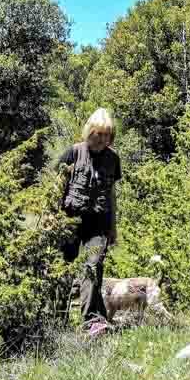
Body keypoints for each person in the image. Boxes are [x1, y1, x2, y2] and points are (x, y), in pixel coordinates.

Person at [57, 108, 121, 332]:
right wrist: (50, 219)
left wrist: (113, 227)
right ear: (90, 132)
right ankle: (57, 318)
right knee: (63, 269)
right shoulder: (73, 153)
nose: (103, 139)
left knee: (92, 269)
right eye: (99, 134)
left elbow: (112, 194)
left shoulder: (113, 159)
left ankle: (92, 323)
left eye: (107, 135)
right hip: (69, 221)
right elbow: (55, 189)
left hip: (99, 225)